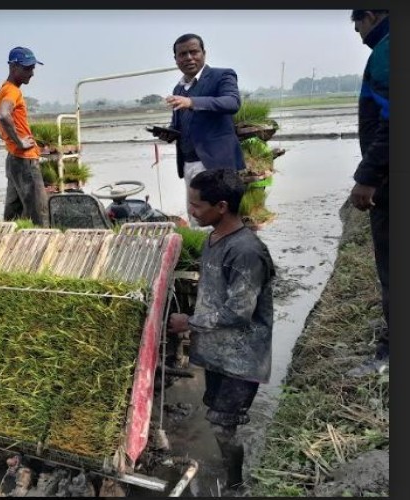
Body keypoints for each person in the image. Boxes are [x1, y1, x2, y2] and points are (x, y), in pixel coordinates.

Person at [167, 168, 275, 491]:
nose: (191, 212)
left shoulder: (246, 251)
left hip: (242, 360)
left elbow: (239, 313)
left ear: (222, 206)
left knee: (222, 426)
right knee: (216, 416)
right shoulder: (213, 239)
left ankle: (235, 484)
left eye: (197, 206)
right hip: (217, 353)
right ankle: (230, 469)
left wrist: (189, 322)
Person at [151, 33, 246, 227]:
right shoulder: (179, 89)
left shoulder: (222, 75)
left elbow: (232, 102)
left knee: (221, 216)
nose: (188, 58)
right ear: (176, 59)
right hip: (189, 163)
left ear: (204, 53)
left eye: (194, 52)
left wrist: (192, 102)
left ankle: (228, 253)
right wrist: (168, 132)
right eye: (182, 54)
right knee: (197, 216)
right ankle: (204, 253)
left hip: (215, 163)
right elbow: (179, 123)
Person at [346, 10, 389, 377]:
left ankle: (390, 356)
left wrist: (368, 177)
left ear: (371, 16)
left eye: (356, 23)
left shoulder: (388, 50)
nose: (357, 32)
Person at [0, 46, 49, 227]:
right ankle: (43, 251)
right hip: (24, 161)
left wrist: (9, 139)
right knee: (39, 213)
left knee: (12, 215)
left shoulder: (1, 92)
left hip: (13, 160)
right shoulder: (13, 91)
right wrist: (19, 141)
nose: (32, 73)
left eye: (33, 68)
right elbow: (3, 115)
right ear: (13, 67)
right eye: (28, 68)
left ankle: (9, 247)